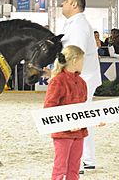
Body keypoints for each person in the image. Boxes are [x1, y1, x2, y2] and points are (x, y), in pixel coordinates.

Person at [60, 0, 102, 173]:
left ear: (75, 5)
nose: (64, 3)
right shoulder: (76, 24)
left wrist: (64, 76)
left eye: (67, 1)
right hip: (84, 77)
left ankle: (79, 161)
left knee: (78, 118)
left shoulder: (78, 26)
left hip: (81, 78)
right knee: (84, 117)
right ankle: (88, 159)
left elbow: (75, 55)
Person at [44, 45, 87, 180]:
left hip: (79, 132)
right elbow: (49, 108)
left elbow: (84, 109)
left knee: (74, 168)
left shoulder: (81, 82)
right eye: (82, 60)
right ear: (74, 60)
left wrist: (96, 119)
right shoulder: (57, 81)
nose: (83, 64)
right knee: (60, 168)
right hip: (63, 133)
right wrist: (66, 124)